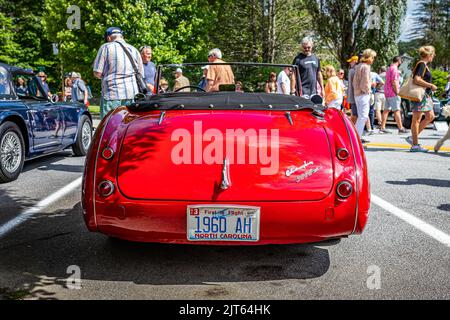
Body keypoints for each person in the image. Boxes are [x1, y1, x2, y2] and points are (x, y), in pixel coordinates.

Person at [93, 27, 143, 119]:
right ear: (121, 36)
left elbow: (97, 72)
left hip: (112, 94)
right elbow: (140, 74)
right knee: (129, 126)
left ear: (108, 38)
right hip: (132, 94)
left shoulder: (105, 47)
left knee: (109, 126)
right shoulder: (134, 50)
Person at [404, 46, 438, 153]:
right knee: (416, 119)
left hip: (425, 96)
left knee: (430, 116)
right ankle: (415, 145)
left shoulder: (424, 65)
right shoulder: (422, 64)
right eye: (433, 54)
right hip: (421, 96)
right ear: (429, 55)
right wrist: (430, 85)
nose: (434, 56)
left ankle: (412, 138)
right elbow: (417, 79)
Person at [353, 49, 377, 140]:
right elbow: (365, 83)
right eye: (372, 57)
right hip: (363, 94)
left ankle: (355, 136)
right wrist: (369, 90)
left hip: (357, 94)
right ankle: (356, 138)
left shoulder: (358, 66)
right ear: (368, 57)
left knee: (361, 116)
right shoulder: (366, 67)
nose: (373, 59)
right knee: (363, 116)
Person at [382, 56, 408, 134]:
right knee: (396, 110)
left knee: (386, 110)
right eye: (401, 61)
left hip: (387, 92)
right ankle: (400, 128)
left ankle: (382, 127)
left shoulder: (389, 68)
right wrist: (397, 92)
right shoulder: (395, 69)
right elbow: (394, 81)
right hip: (393, 92)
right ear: (399, 61)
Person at [347, 55, 359, 124]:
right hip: (358, 95)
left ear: (355, 61)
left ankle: (351, 128)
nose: (350, 63)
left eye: (351, 61)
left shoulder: (352, 70)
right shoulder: (358, 69)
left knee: (354, 114)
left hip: (354, 96)